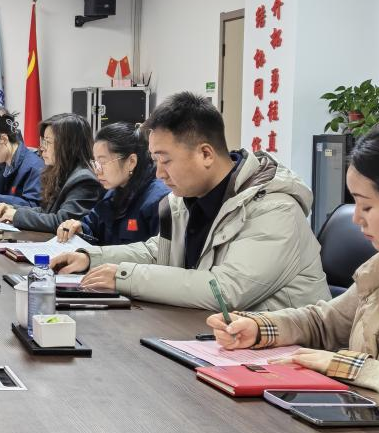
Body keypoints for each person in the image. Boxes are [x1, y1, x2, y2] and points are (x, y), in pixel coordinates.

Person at [208, 107, 379, 433]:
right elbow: (326, 322)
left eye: (367, 206)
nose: (356, 218)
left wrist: (356, 369)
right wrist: (260, 328)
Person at [51, 91, 329, 310]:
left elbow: (225, 291)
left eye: (166, 160)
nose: (159, 173)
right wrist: (91, 258)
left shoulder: (275, 209)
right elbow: (158, 251)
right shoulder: (186, 199)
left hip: (283, 355)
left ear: (206, 154)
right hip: (214, 337)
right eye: (155, 161)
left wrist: (124, 277)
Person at [56, 122, 170, 246]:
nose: (97, 171)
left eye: (102, 162)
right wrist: (79, 228)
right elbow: (92, 227)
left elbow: (157, 253)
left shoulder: (159, 200)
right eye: (95, 163)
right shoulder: (113, 192)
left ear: (131, 162)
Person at [0, 113, 101, 231]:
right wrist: (12, 209)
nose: (42, 148)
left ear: (68, 145)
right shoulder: (63, 171)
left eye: (47, 142)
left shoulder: (84, 180)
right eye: (43, 141)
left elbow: (62, 222)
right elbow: (46, 211)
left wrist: (16, 215)